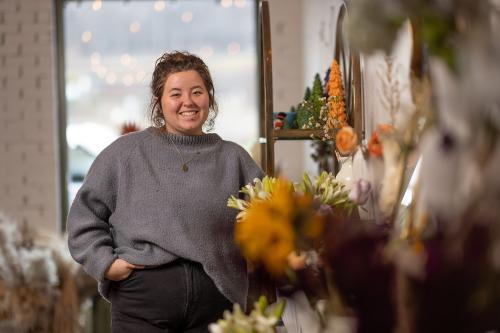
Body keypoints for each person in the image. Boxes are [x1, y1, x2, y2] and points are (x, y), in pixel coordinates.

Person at [67, 51, 263, 332]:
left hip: (217, 306)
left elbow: (270, 217)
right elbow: (83, 217)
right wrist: (106, 264)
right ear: (159, 101)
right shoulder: (125, 153)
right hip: (141, 304)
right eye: (176, 94)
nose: (188, 102)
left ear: (209, 97)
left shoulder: (234, 158)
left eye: (197, 91)